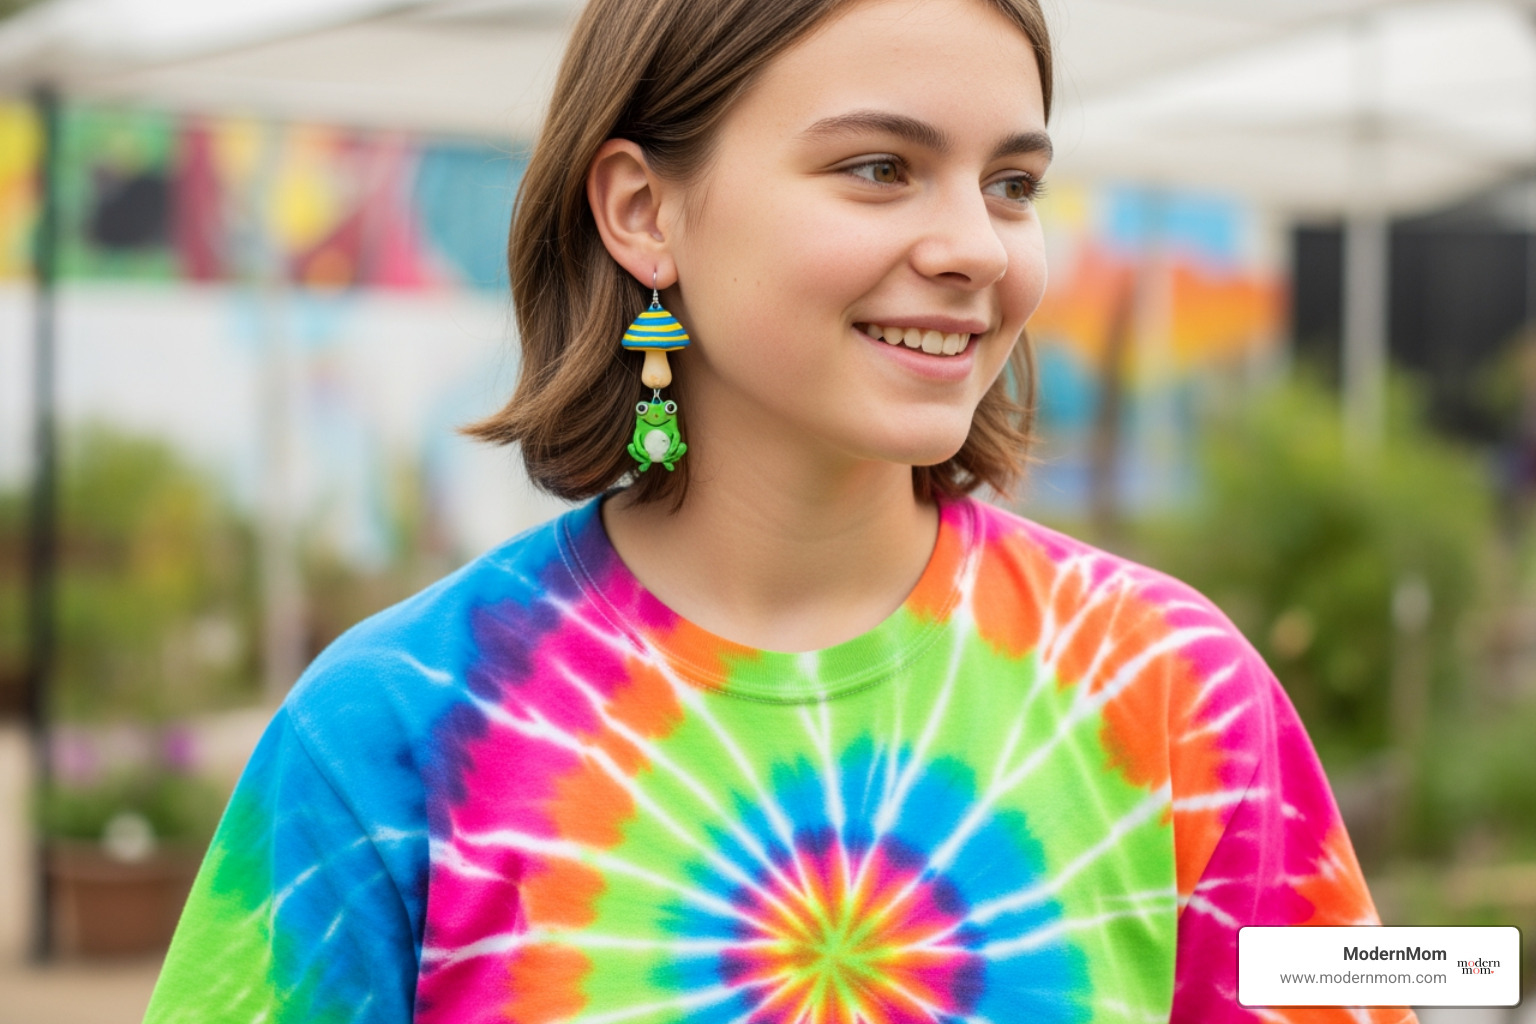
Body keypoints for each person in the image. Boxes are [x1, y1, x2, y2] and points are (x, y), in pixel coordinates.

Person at [144, 0, 1417, 1021]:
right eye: (880, 168)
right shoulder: (390, 730)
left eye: (1013, 183)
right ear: (644, 210)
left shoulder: (1180, 690)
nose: (978, 244)